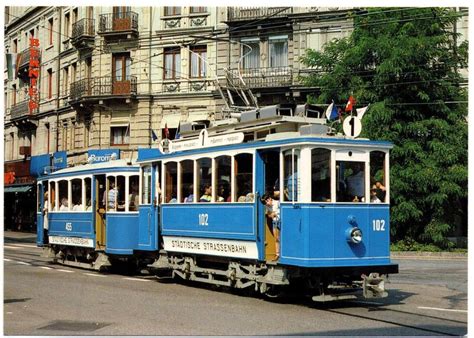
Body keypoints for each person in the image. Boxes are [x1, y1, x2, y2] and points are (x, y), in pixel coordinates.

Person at [260, 193, 281, 260]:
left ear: (270, 198)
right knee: (276, 238)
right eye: (265, 203)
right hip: (275, 222)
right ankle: (277, 254)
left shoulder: (278, 203)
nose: (267, 203)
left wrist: (275, 214)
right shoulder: (267, 206)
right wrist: (270, 215)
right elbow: (268, 214)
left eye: (267, 201)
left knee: (281, 238)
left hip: (280, 222)